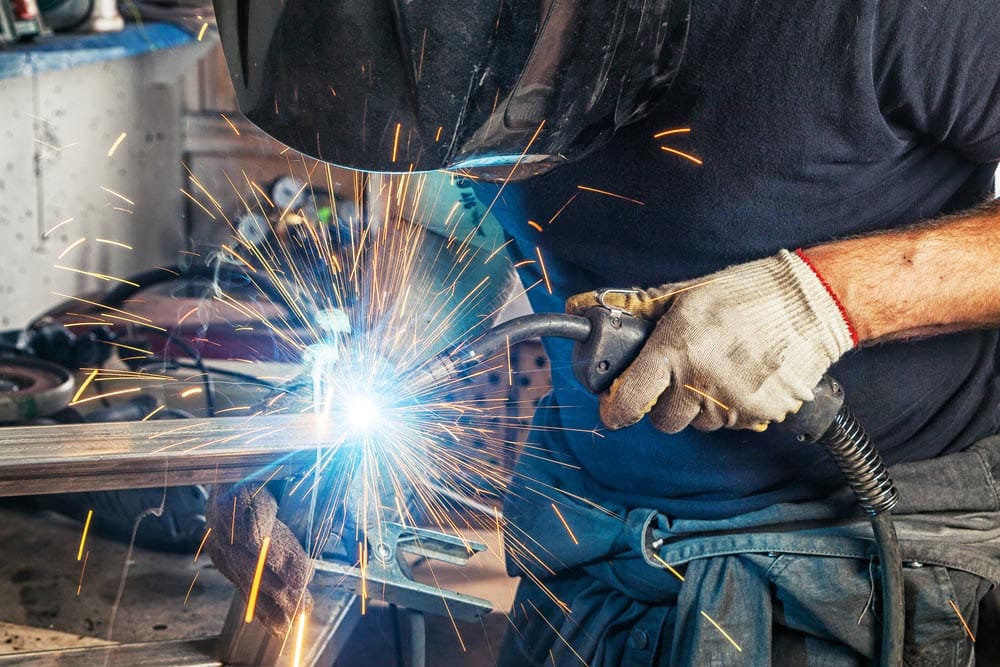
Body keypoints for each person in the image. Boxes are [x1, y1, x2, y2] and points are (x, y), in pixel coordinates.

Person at [209, 0, 1000, 663]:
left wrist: (828, 298)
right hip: (586, 560)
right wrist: (321, 427)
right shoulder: (422, 65)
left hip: (854, 567)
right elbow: (456, 238)